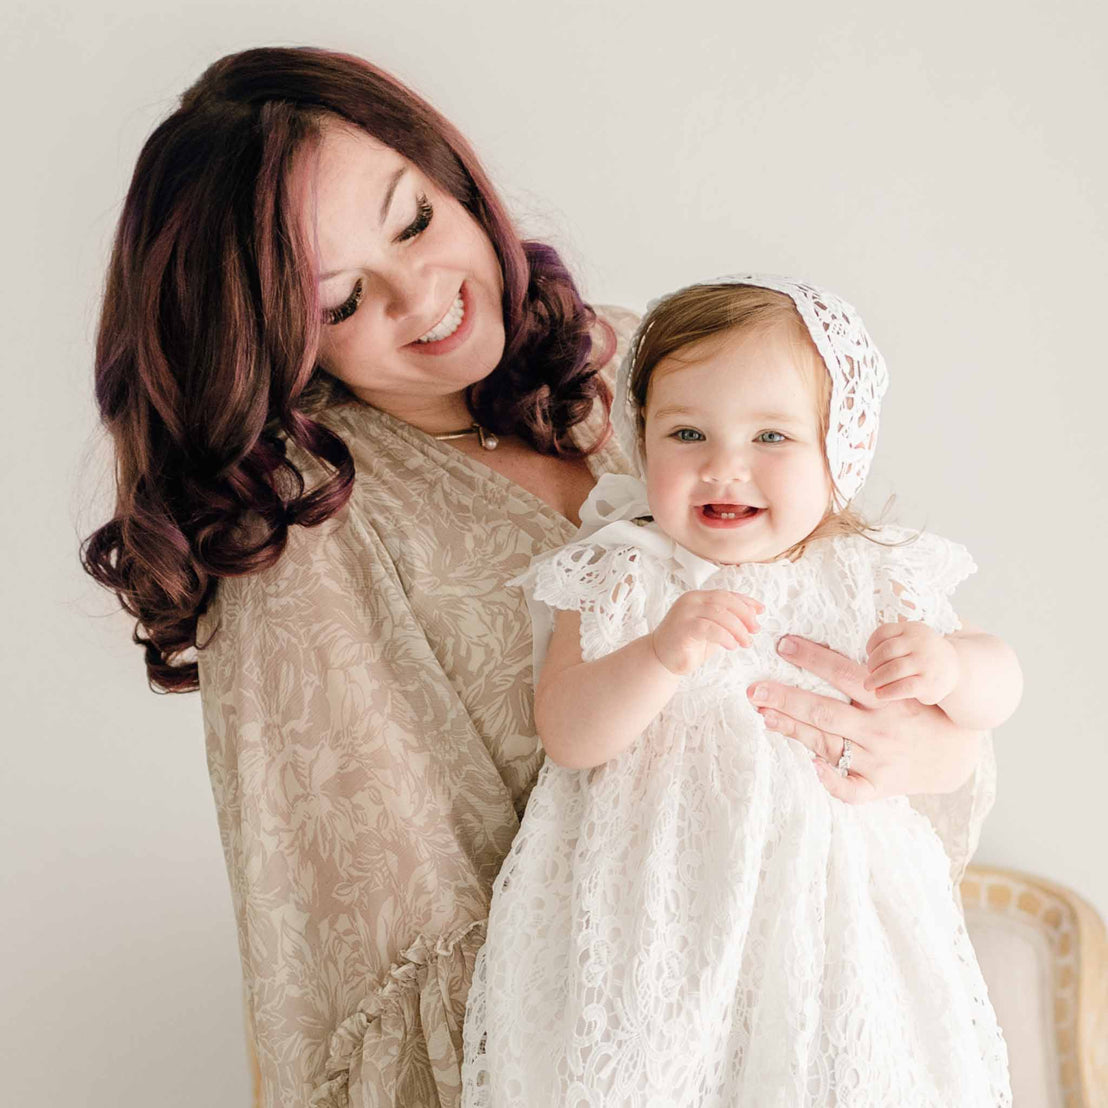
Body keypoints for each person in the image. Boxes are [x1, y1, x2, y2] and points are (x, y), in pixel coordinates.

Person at [80, 47, 1001, 1108]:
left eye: (416, 220)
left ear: (452, 175)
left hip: (832, 1021)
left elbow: (897, 643)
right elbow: (385, 958)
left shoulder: (639, 371)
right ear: (274, 338)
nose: (423, 296)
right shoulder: (303, 531)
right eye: (340, 299)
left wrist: (928, 742)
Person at [461, 276, 1020, 1106]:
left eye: (771, 435)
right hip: (660, 905)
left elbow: (997, 687)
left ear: (841, 450)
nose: (725, 466)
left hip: (831, 912)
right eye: (687, 432)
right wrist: (657, 653)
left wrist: (950, 666)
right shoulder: (625, 570)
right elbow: (571, 735)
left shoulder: (873, 568)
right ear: (641, 440)